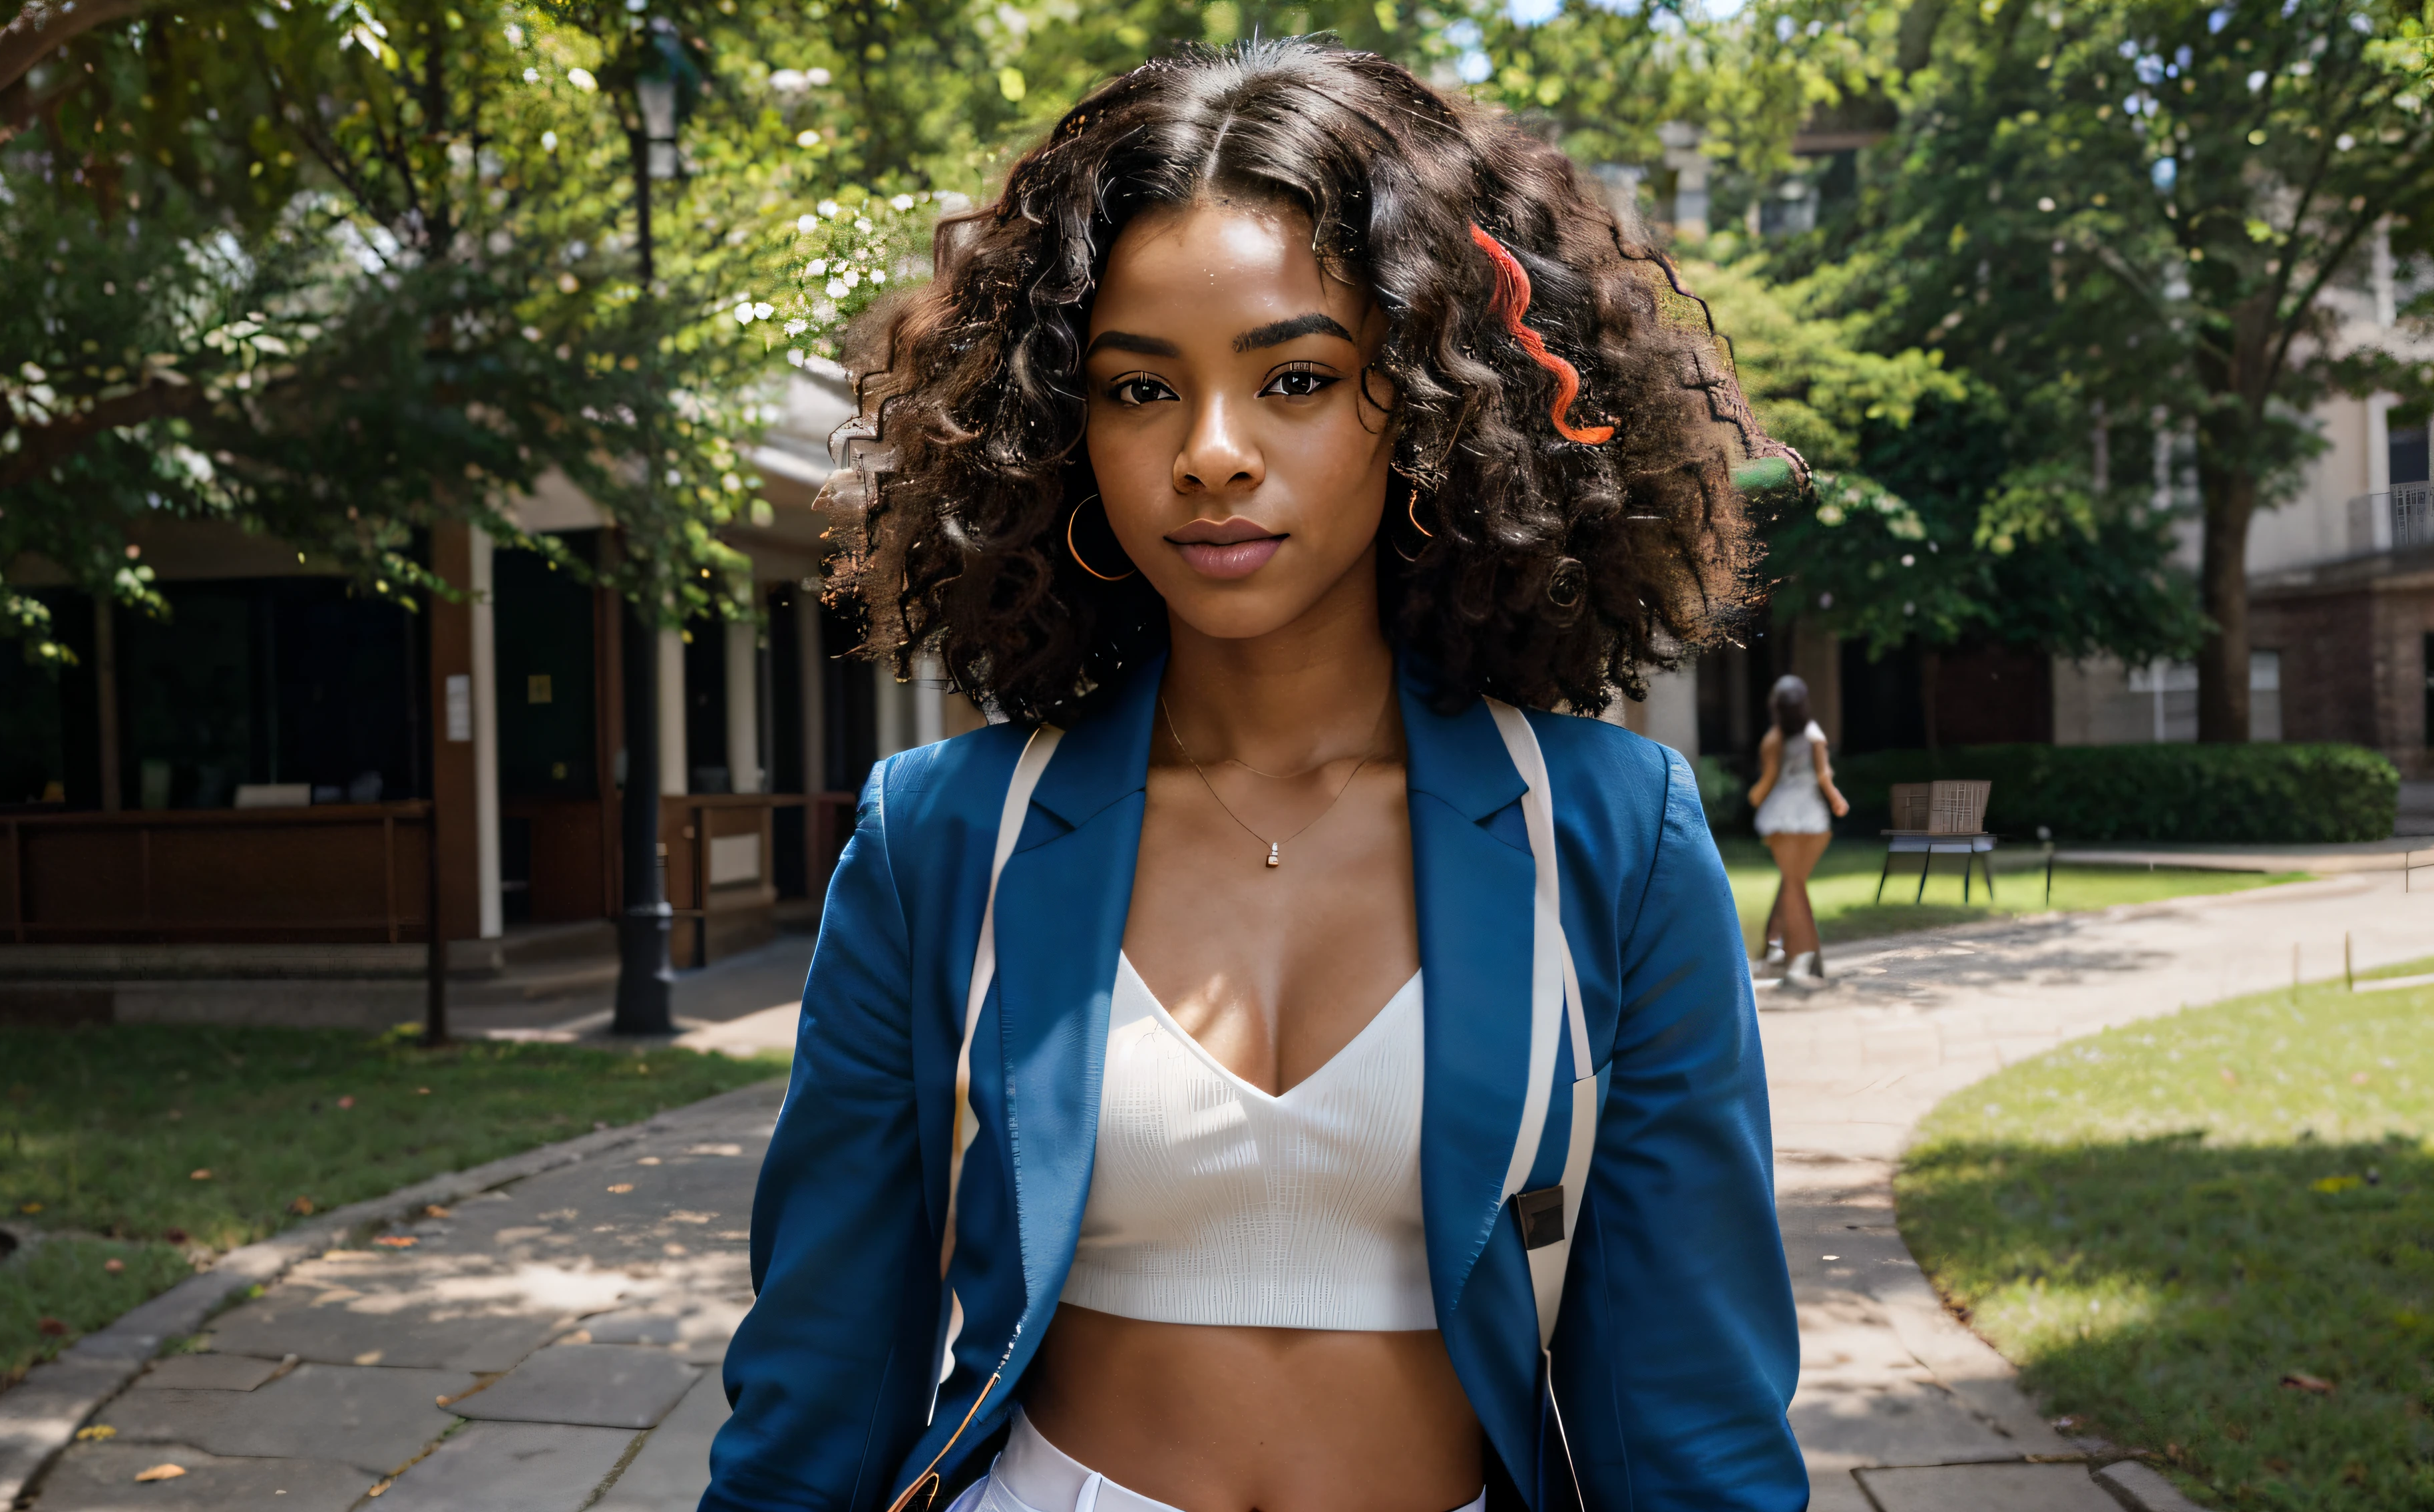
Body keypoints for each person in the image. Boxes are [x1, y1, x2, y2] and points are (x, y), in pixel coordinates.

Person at [704, 40, 1804, 1512]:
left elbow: (1690, 1415)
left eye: (1294, 376)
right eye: (1138, 389)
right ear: (1062, 432)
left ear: (1422, 401)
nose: (1210, 454)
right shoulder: (939, 837)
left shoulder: (1610, 835)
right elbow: (815, 1386)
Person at [1746, 674, 1849, 983]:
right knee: (1793, 883)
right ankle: (1796, 954)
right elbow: (1823, 776)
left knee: (1792, 883)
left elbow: (1769, 779)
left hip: (1781, 818)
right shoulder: (1814, 735)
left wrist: (1755, 797)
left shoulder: (1774, 739)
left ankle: (1785, 951)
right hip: (1810, 820)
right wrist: (1836, 800)